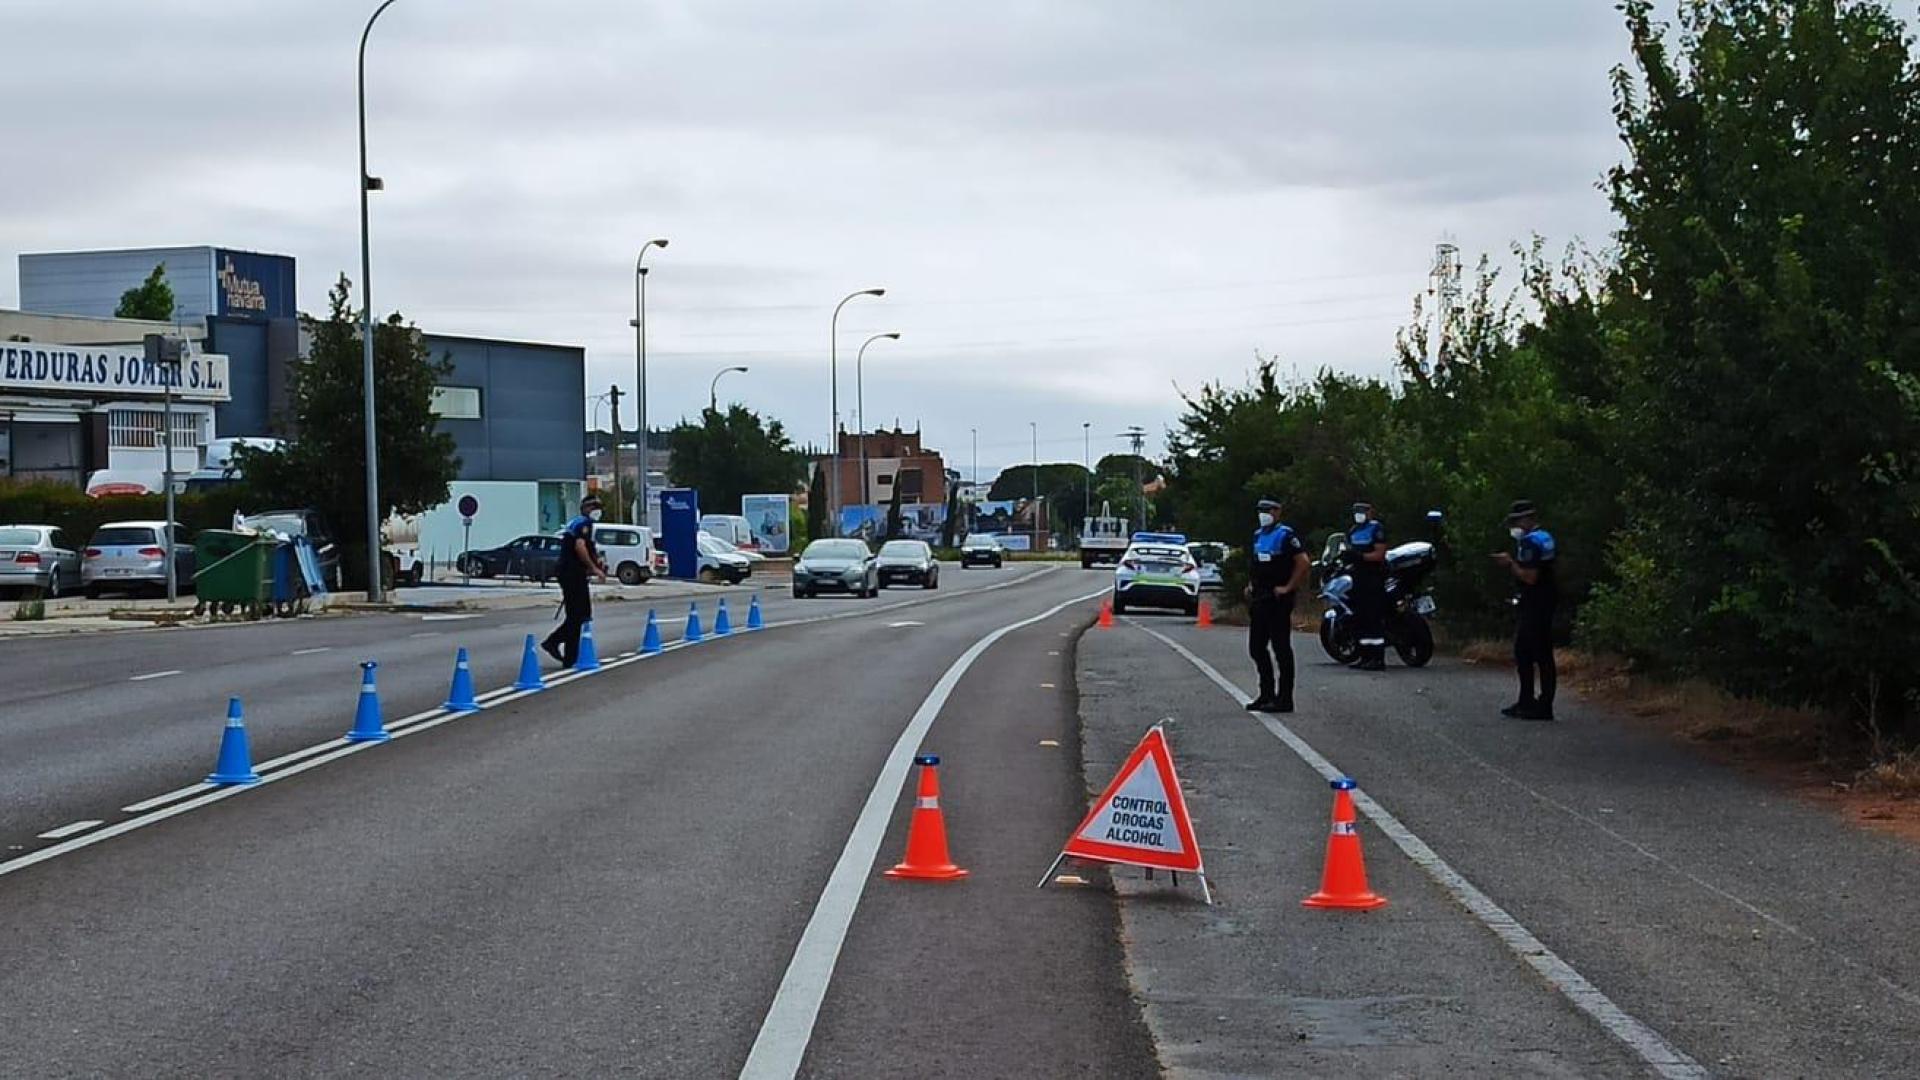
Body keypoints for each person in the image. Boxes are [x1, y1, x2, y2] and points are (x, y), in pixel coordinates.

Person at [1245, 498, 1311, 713]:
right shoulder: (1258, 535)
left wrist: (1288, 587)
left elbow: (1303, 563)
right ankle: (1266, 694)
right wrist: (1250, 585)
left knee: (1281, 648)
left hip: (1278, 599)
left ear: (1277, 512)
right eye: (1260, 510)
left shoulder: (1286, 535)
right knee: (1256, 647)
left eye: (1267, 510)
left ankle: (1284, 699)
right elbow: (1256, 565)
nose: (1263, 514)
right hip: (1260, 598)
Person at [1494, 499, 1558, 720]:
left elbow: (1530, 577)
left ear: (1527, 519)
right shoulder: (1546, 537)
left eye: (1516, 522)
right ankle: (1534, 701)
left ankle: (1534, 704)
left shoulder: (1530, 543)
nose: (1515, 528)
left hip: (1534, 602)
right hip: (1546, 599)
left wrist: (1510, 564)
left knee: (1528, 653)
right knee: (1539, 653)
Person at [543, 495, 609, 668]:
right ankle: (560, 648)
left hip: (571, 572)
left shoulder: (579, 523)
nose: (598, 511)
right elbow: (579, 547)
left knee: (580, 615)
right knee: (577, 615)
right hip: (571, 573)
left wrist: (596, 564)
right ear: (586, 508)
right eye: (595, 507)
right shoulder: (583, 524)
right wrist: (594, 569)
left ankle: (566, 652)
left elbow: (588, 548)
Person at [1345, 500, 1390, 671]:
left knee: (1373, 617)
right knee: (1360, 617)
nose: (1359, 514)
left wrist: (1360, 557)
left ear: (1370, 512)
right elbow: (1349, 550)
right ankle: (1364, 656)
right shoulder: (1353, 531)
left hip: (1373, 577)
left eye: (1363, 511)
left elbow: (1379, 553)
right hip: (1358, 577)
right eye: (1356, 511)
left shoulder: (1376, 528)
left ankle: (1377, 658)